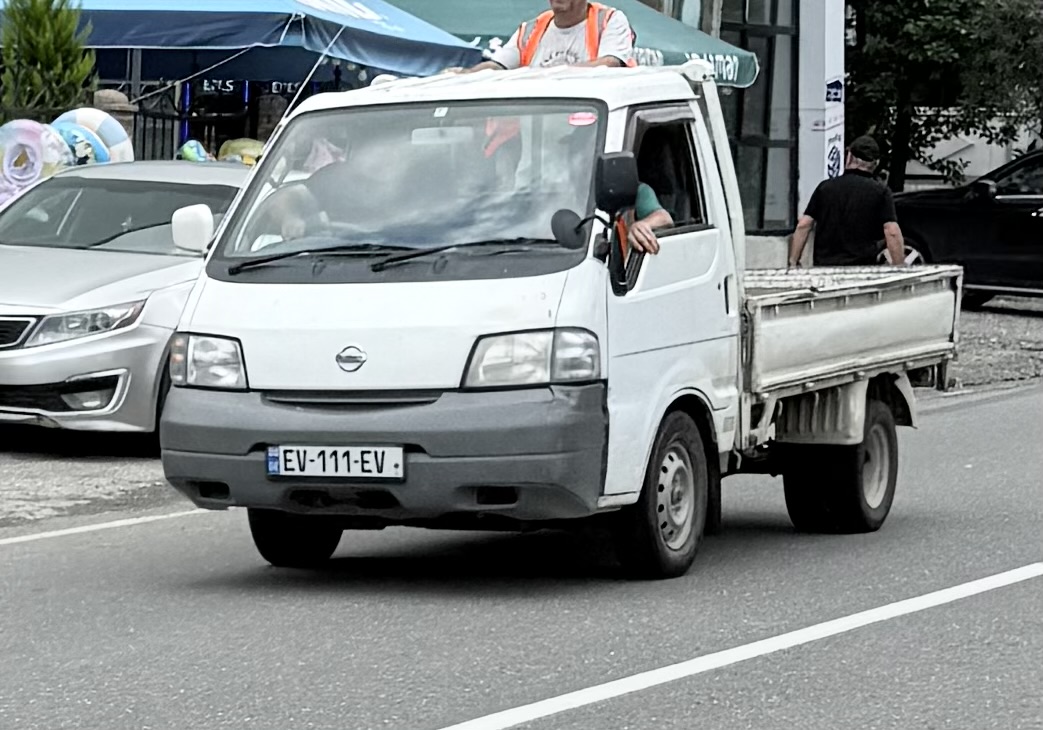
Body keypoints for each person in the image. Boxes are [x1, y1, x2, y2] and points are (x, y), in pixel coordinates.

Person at [788, 135, 907, 268]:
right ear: (876, 163)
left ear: (849, 157)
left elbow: (804, 225)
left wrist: (793, 262)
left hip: (825, 268)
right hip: (863, 268)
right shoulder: (881, 192)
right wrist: (899, 265)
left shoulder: (825, 188)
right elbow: (891, 231)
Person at [467, 0, 636, 72]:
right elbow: (498, 66)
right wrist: (464, 74)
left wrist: (544, 75)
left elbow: (609, 64)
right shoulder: (530, 29)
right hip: (536, 128)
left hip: (592, 124)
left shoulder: (609, 20)